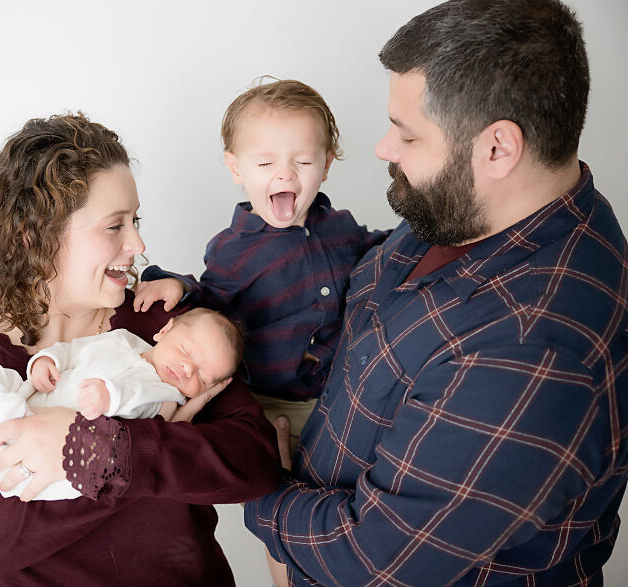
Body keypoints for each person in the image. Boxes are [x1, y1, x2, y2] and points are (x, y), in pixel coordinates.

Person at [244, 1, 628, 585]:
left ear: (498, 148)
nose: (385, 148)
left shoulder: (534, 349)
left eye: (407, 134)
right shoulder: (470, 208)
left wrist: (253, 480)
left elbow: (375, 559)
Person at [0, 113, 281, 586]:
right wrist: (140, 454)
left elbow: (256, 459)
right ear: (35, 237)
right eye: (113, 226)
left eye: (135, 221)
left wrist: (106, 451)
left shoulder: (159, 322)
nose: (138, 243)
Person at [135, 79, 388, 454]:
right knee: (275, 460)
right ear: (236, 168)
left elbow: (384, 249)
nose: (285, 174)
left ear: (326, 164)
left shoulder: (340, 228)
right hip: (271, 398)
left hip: (342, 387)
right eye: (266, 163)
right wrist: (176, 285)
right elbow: (208, 304)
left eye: (303, 161)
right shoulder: (234, 250)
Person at [0, 308, 242, 501]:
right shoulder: (122, 339)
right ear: (165, 330)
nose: (187, 368)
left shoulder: (166, 397)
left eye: (202, 376)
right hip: (33, 398)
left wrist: (110, 396)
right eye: (186, 350)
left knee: (64, 485)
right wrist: (47, 361)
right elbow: (74, 350)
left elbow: (138, 405)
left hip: (63, 455)